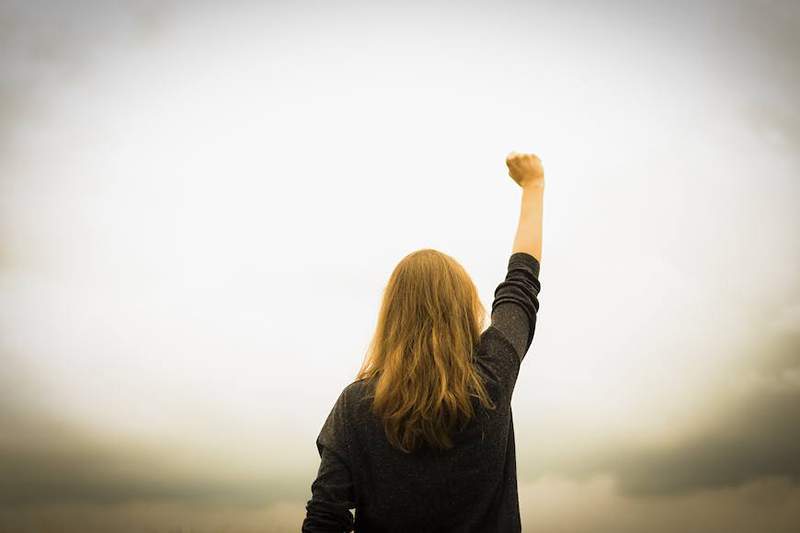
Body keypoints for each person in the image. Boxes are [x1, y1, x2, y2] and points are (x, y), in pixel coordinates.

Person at [302, 152, 545, 532]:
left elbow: (325, 518)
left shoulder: (356, 406)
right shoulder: (492, 378)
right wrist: (534, 186)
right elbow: (521, 284)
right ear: (464, 313)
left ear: (392, 318)